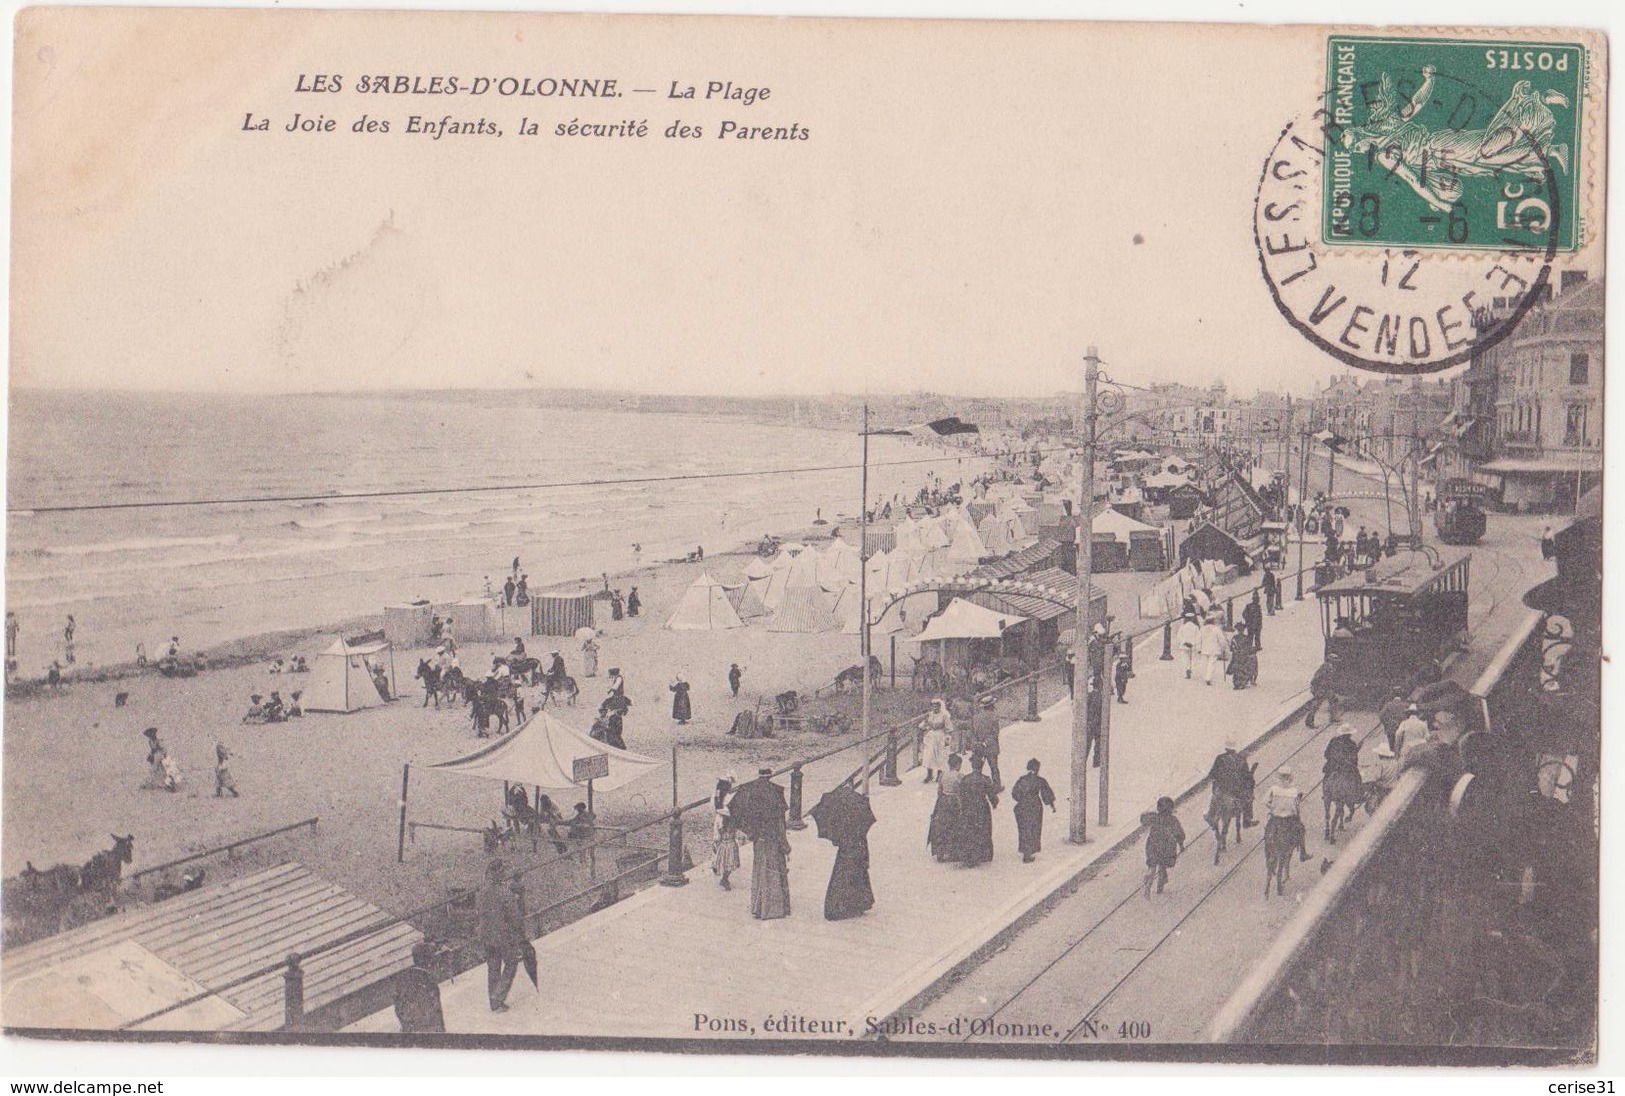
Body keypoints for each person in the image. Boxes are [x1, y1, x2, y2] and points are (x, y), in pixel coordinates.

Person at [728, 768, 792, 919]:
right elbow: (780, 825)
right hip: (773, 839)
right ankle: (773, 908)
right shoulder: (776, 793)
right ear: (770, 776)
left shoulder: (749, 791)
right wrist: (786, 847)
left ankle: (758, 906)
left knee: (759, 870)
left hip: (758, 839)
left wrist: (751, 833)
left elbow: (737, 814)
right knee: (774, 870)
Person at [808, 781, 876, 921]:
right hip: (857, 851)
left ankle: (841, 906)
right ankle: (857, 904)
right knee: (857, 877)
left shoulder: (839, 820)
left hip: (845, 852)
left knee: (842, 878)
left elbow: (836, 840)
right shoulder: (859, 816)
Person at [475, 859, 525, 1012]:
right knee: (511, 962)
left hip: (485, 936)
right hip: (503, 936)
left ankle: (493, 1002)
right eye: (502, 871)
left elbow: (479, 912)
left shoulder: (481, 891)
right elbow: (515, 917)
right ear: (497, 873)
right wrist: (519, 934)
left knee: (493, 968)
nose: (504, 874)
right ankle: (498, 997)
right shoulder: (505, 893)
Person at [954, 755, 999, 867]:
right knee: (983, 829)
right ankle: (983, 854)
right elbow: (992, 795)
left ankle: (969, 855)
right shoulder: (986, 779)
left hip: (968, 807)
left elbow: (960, 794)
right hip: (982, 807)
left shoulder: (965, 779)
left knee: (969, 830)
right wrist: (994, 803)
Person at [393, 942, 446, 1033]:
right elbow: (434, 1015)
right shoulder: (428, 981)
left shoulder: (402, 981)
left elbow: (399, 1010)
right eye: (433, 958)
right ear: (429, 961)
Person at [1263, 767, 1312, 864]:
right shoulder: (1294, 790)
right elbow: (1296, 807)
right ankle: (1303, 853)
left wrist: (1272, 807)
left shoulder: (1273, 789)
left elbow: (1265, 801)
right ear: (1289, 777)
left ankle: (1268, 851)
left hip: (1276, 818)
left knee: (1267, 831)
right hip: (1289, 819)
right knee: (1301, 830)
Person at [1011, 758, 1056, 863]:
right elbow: (1046, 794)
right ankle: (1030, 851)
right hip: (1035, 807)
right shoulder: (1040, 780)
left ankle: (1025, 850)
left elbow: (1014, 793)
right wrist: (1052, 805)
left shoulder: (1021, 779)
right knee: (1034, 828)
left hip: (1022, 807)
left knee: (1023, 828)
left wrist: (1022, 799)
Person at [1207, 735, 1257, 829]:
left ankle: (1210, 816)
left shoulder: (1219, 758)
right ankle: (1247, 820)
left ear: (1226, 748)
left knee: (1214, 798)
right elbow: (1246, 777)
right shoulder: (1241, 759)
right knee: (1249, 799)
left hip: (1223, 790)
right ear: (1235, 748)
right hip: (1237, 791)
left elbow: (1212, 774)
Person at [1141, 796, 1186, 898]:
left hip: (1152, 845)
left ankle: (1148, 882)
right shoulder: (1173, 820)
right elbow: (1180, 834)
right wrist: (1181, 845)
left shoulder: (1154, 817)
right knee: (1163, 863)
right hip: (1166, 847)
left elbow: (1143, 819)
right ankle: (1161, 880)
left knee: (1152, 866)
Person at [928, 754, 964, 862]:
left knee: (942, 826)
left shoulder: (943, 775)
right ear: (958, 764)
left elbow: (939, 790)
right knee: (954, 825)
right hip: (954, 801)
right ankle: (952, 851)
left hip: (943, 801)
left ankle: (940, 851)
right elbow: (961, 791)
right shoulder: (960, 776)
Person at [710, 775, 741, 890]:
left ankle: (716, 864)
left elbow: (714, 807)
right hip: (728, 820)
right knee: (730, 847)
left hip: (719, 820)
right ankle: (724, 877)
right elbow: (733, 809)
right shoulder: (729, 797)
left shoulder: (716, 796)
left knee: (719, 844)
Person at [969, 694, 1002, 791]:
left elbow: (971, 733)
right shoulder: (994, 718)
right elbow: (995, 734)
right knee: (994, 768)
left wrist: (976, 743)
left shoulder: (975, 717)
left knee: (977, 767)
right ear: (991, 706)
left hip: (977, 747)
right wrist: (984, 743)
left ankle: (976, 786)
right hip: (990, 747)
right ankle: (997, 786)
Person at [919, 699, 952, 783]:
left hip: (941, 736)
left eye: (936, 706)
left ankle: (939, 775)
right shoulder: (929, 715)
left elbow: (949, 728)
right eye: (933, 706)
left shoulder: (944, 715)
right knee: (929, 755)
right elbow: (922, 726)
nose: (935, 708)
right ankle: (929, 775)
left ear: (940, 706)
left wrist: (947, 738)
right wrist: (926, 723)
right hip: (931, 737)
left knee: (940, 756)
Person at [1304, 662, 1340, 728]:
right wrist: (1315, 689)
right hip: (1321, 688)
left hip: (1327, 688)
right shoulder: (1325, 668)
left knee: (1334, 700)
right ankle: (1309, 721)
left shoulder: (1330, 667)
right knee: (1316, 705)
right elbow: (1315, 679)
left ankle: (1333, 718)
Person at [1199, 615, 1230, 686]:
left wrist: (1199, 648)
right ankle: (1208, 678)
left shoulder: (1202, 629)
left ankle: (1205, 676)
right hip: (1214, 649)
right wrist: (1224, 647)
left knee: (1204, 663)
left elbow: (1199, 638)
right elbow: (1221, 640)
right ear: (1213, 621)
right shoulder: (1217, 629)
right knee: (1211, 664)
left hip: (1204, 648)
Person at [1176, 614, 1201, 679]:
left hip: (1184, 646)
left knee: (1184, 658)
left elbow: (1179, 636)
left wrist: (1184, 642)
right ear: (1192, 618)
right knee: (1193, 659)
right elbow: (1198, 637)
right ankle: (1190, 668)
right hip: (1192, 646)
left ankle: (1186, 669)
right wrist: (1193, 643)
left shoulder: (1182, 627)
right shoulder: (1196, 627)